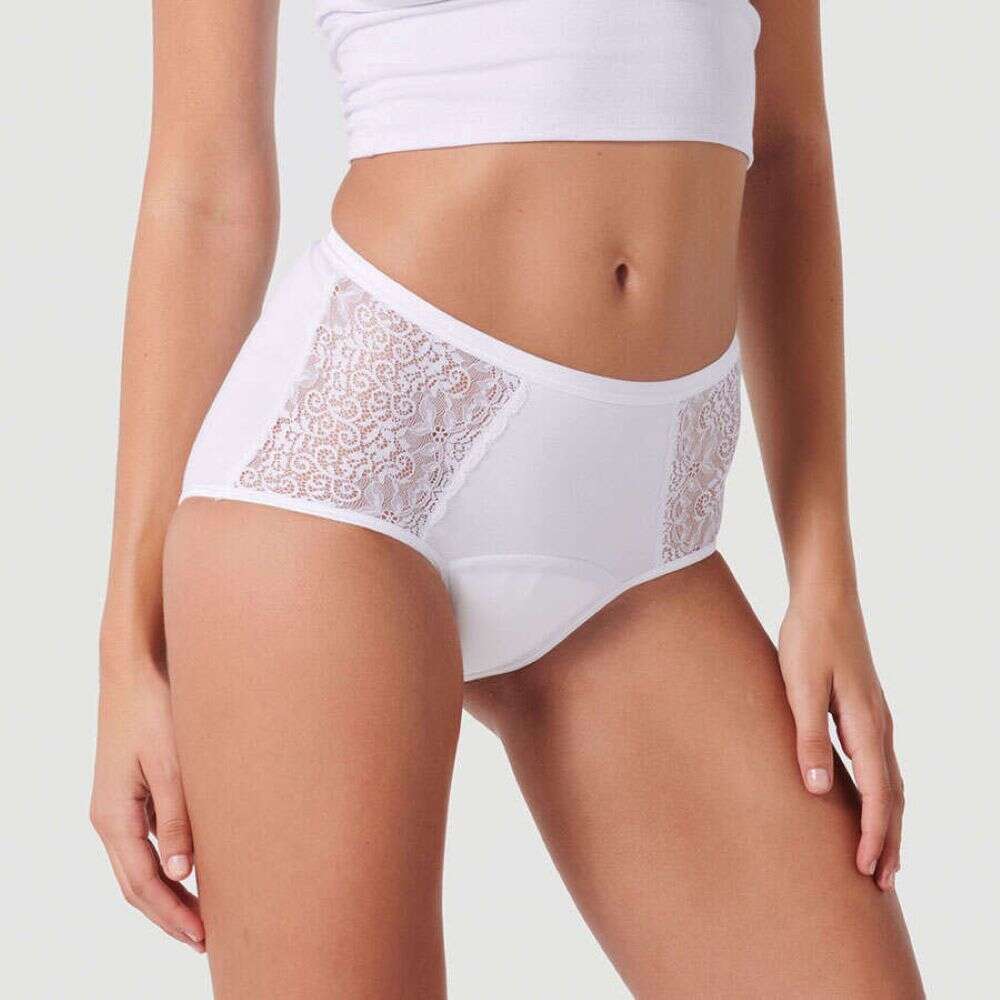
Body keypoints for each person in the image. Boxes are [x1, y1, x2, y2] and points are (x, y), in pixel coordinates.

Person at [91, 1, 924, 996]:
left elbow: (785, 144)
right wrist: (127, 646)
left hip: (644, 534)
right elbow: (204, 188)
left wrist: (823, 576)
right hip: (350, 475)